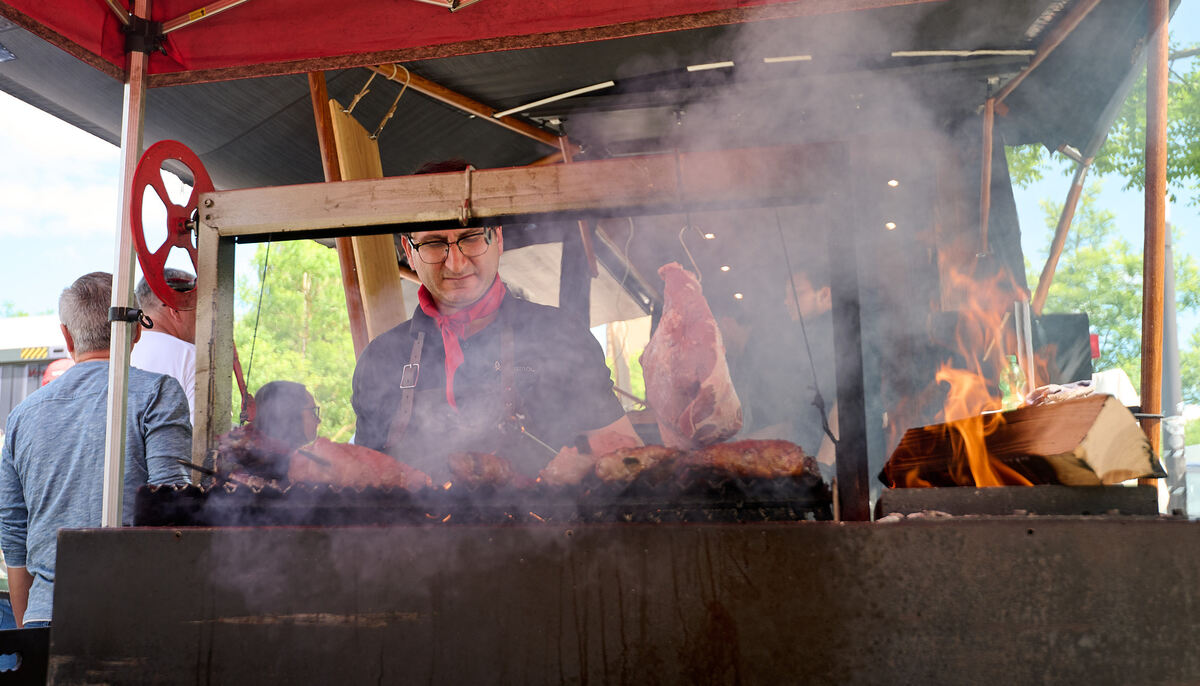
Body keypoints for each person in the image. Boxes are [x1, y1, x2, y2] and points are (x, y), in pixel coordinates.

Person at [352, 161, 641, 482]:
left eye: (471, 237)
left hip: (548, 515)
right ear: (409, 250)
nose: (456, 263)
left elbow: (622, 454)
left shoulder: (559, 334)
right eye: (434, 243)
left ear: (498, 238)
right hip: (417, 516)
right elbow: (366, 478)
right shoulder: (380, 358)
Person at [0, 272, 191, 627]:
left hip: (44, 618)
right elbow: (171, 507)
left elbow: (13, 531)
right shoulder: (158, 393)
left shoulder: (21, 416)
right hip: (132, 616)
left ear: (67, 336)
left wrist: (30, 626)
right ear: (137, 330)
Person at [728, 264, 838, 475]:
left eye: (797, 293)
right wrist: (742, 443)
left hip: (831, 471)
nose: (788, 301)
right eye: (786, 295)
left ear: (824, 294)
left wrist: (822, 468)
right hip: (804, 464)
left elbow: (841, 406)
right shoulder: (809, 339)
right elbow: (800, 422)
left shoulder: (834, 337)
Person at [131, 268, 197, 424]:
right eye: (198, 308)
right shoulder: (192, 357)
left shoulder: (116, 354)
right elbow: (202, 434)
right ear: (175, 309)